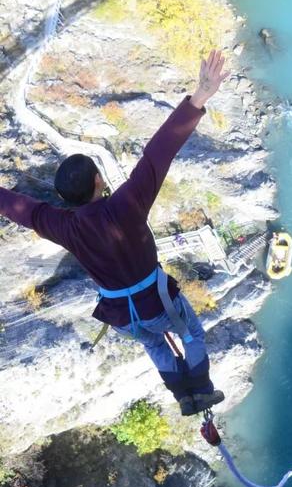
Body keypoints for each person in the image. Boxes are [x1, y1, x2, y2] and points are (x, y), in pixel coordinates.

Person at [0, 50, 228, 417]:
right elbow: (158, 153)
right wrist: (199, 96)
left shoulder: (64, 226)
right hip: (159, 302)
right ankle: (200, 389)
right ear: (99, 181)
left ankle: (183, 398)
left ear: (64, 197)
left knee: (155, 346)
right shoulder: (128, 202)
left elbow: (19, 208)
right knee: (191, 336)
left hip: (123, 318)